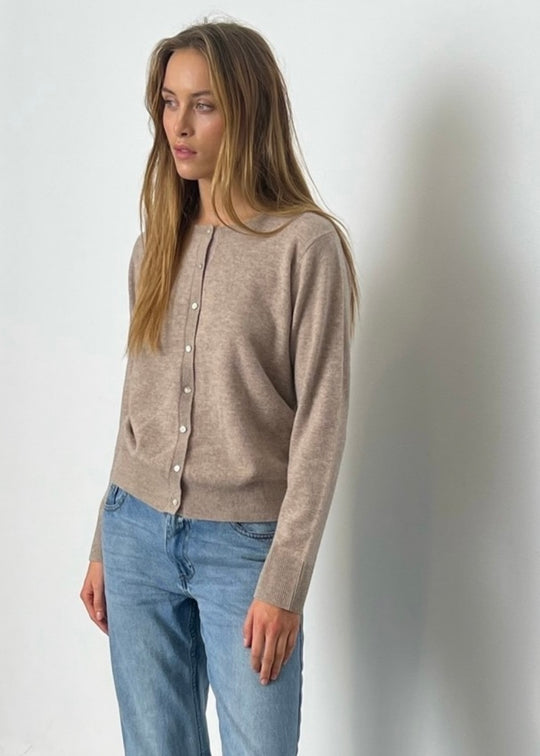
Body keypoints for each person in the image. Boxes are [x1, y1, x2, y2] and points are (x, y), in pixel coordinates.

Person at [80, 17, 359, 756]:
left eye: (203, 105)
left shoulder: (304, 245)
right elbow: (137, 402)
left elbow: (322, 423)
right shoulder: (155, 244)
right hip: (136, 534)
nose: (179, 125)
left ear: (247, 112)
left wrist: (285, 581)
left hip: (245, 549)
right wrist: (104, 538)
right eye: (169, 102)